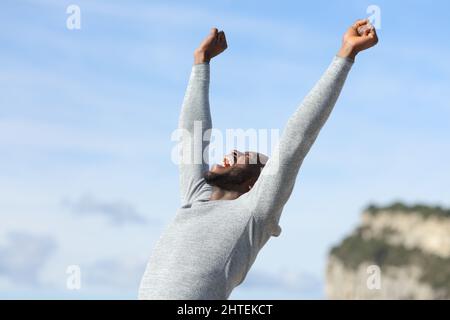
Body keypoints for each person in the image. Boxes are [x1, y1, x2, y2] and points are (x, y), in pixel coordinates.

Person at [139, 19, 378, 299]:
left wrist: (346, 55)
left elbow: (295, 140)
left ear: (254, 183)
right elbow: (193, 136)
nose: (231, 153)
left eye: (243, 156)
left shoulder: (254, 212)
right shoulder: (196, 197)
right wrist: (201, 62)